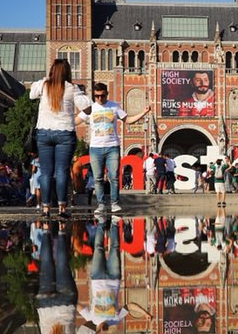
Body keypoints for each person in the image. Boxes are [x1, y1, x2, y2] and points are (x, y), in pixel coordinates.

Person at [30, 59, 91, 218]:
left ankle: (45, 209)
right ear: (67, 72)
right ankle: (62, 208)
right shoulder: (72, 88)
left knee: (45, 173)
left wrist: (44, 79)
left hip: (44, 133)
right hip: (64, 133)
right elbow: (87, 108)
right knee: (62, 171)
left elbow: (31, 94)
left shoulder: (44, 85)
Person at [79, 81, 149, 216]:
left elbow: (128, 119)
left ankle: (115, 203)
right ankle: (100, 204)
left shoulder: (114, 107)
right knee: (98, 178)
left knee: (114, 177)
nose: (99, 99)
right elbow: (76, 120)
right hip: (95, 147)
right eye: (97, 96)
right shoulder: (90, 108)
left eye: (102, 96)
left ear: (107, 94)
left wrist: (143, 112)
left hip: (112, 147)